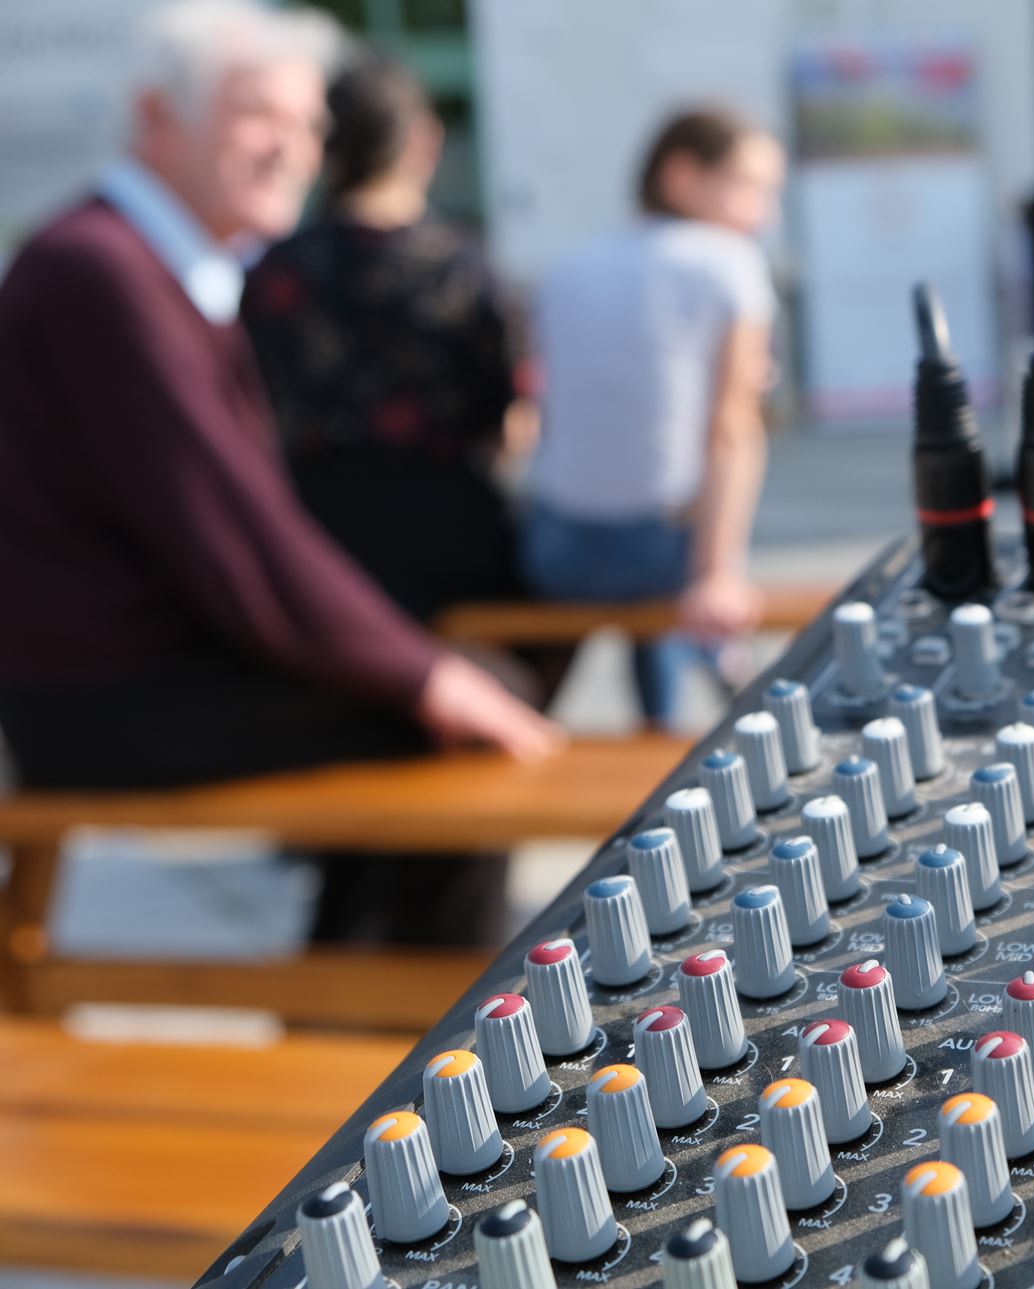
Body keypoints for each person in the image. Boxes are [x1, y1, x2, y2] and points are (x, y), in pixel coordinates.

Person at [0, 0, 560, 946]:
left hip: (127, 673)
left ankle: (366, 990)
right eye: (258, 115)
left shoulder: (148, 263)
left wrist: (412, 667)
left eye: (307, 125)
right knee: (467, 704)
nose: (293, 150)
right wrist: (422, 674)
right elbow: (230, 528)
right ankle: (421, 1006)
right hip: (104, 697)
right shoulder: (103, 271)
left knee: (458, 692)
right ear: (157, 118)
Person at [243, 52, 531, 623]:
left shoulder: (275, 271)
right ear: (423, 142)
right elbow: (510, 423)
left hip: (313, 541)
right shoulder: (462, 270)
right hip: (454, 538)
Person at [522, 106, 783, 727]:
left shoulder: (568, 265)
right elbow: (731, 430)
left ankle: (663, 718)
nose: (764, 212)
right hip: (657, 549)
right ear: (683, 175)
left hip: (555, 546)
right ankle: (728, 697)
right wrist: (717, 574)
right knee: (692, 579)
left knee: (657, 612)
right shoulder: (728, 261)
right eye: (749, 186)